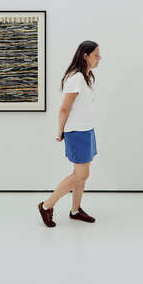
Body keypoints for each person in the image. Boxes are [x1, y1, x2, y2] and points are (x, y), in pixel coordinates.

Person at [38, 41, 101, 227]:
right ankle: (46, 205)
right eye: (96, 55)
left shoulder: (86, 77)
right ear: (85, 56)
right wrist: (60, 132)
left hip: (87, 130)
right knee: (80, 175)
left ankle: (75, 210)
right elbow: (64, 109)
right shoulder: (76, 78)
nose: (99, 58)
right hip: (76, 132)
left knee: (80, 174)